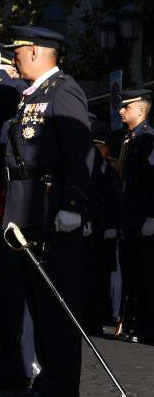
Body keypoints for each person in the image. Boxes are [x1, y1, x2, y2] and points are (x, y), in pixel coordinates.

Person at [1, 25, 93, 397]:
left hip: (52, 208)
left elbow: (80, 151)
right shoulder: (31, 96)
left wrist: (74, 204)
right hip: (27, 209)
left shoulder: (63, 90)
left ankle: (62, 383)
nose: (15, 57)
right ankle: (48, 376)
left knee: (57, 302)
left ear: (37, 51)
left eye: (19, 50)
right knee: (38, 301)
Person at [116, 88, 154, 344]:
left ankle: (148, 327)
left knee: (147, 276)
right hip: (130, 217)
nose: (120, 110)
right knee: (132, 274)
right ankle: (134, 324)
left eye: (126, 107)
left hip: (143, 217)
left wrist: (152, 216)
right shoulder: (130, 139)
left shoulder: (148, 139)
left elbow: (152, 180)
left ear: (141, 110)